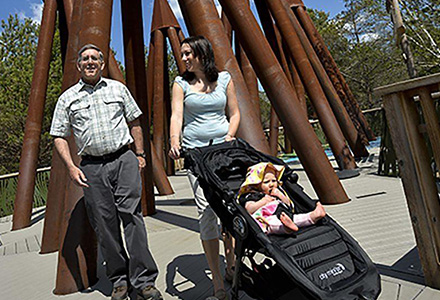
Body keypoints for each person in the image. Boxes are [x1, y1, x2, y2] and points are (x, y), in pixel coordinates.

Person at [50, 44, 162, 300]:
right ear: (78, 65)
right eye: (85, 59)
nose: (90, 62)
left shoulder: (117, 89)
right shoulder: (67, 98)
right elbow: (58, 135)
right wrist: (70, 166)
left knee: (132, 218)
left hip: (123, 160)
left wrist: (140, 154)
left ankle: (144, 280)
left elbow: (134, 121)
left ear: (102, 64)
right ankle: (120, 280)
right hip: (91, 166)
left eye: (95, 59)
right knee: (104, 225)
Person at [168, 36, 240, 300]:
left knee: (230, 208)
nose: (184, 58)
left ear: (202, 54)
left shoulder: (224, 79)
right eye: (182, 54)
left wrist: (230, 135)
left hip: (224, 152)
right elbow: (176, 115)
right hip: (197, 155)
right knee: (207, 210)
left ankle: (231, 264)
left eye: (188, 53)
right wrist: (175, 141)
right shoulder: (180, 83)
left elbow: (234, 113)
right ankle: (218, 280)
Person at [238, 162, 326, 234]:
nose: (271, 184)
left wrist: (280, 195)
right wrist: (263, 201)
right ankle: (286, 228)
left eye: (274, 180)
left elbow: (288, 204)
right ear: (256, 185)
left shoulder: (277, 191)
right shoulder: (252, 195)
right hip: (265, 219)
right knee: (273, 223)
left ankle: (313, 216)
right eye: (266, 182)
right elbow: (249, 209)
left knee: (296, 218)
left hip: (283, 215)